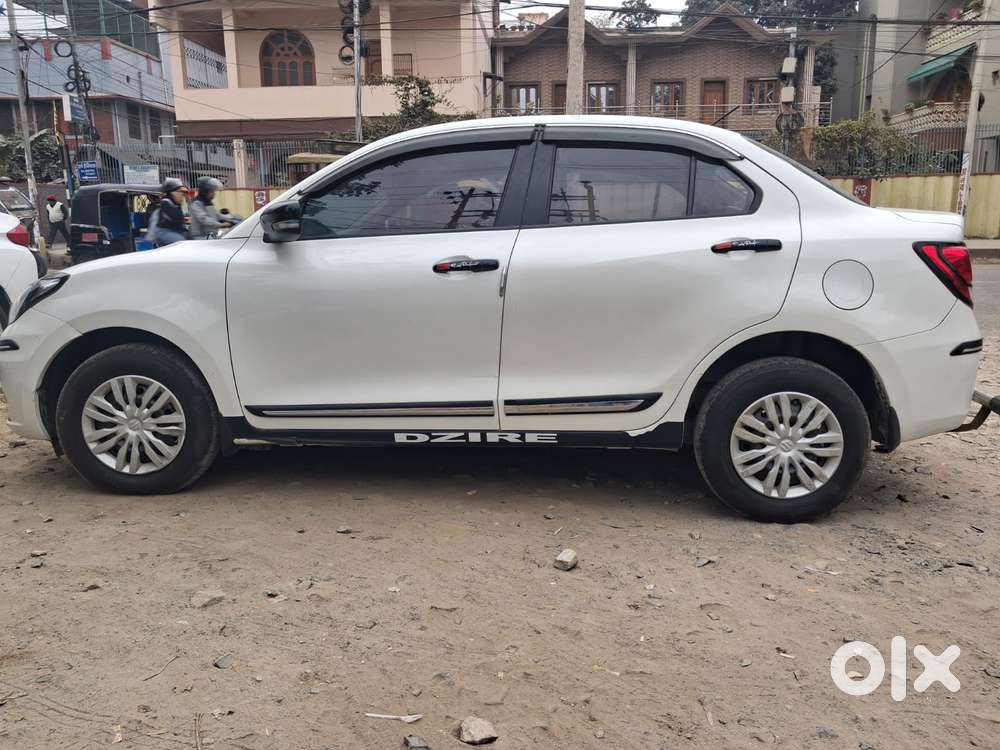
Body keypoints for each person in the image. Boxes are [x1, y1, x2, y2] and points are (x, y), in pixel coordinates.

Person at [154, 178, 189, 247]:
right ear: (172, 192)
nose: (182, 195)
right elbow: (174, 217)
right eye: (179, 192)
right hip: (164, 232)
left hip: (173, 231)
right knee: (182, 243)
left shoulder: (175, 203)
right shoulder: (166, 202)